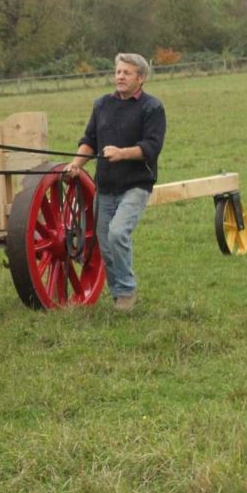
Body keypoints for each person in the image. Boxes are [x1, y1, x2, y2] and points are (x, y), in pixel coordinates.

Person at [63, 53, 167, 311]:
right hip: (106, 186)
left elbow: (152, 147)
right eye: (118, 72)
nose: (120, 76)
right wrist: (76, 165)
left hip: (136, 184)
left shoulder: (152, 108)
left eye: (127, 73)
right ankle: (118, 293)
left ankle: (126, 292)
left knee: (118, 233)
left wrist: (122, 153)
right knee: (105, 243)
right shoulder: (102, 105)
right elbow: (89, 141)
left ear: (140, 78)